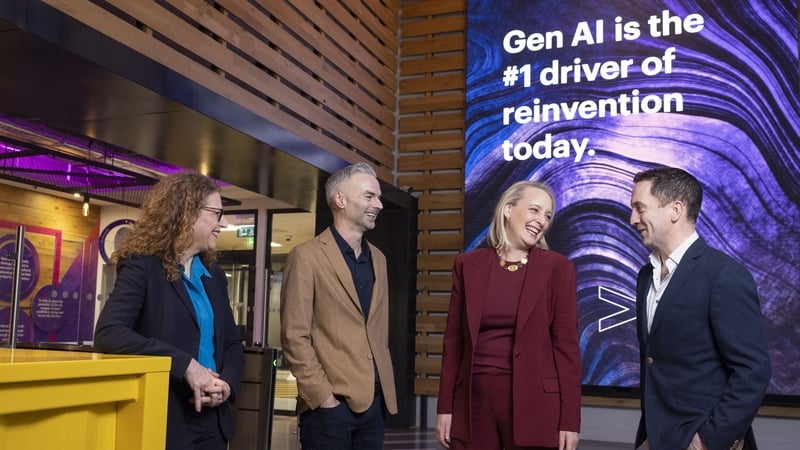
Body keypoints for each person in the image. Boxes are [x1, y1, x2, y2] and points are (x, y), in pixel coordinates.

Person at [94, 171, 244, 450]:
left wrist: (227, 386)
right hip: (165, 418)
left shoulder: (215, 276)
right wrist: (185, 365)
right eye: (216, 213)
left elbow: (232, 343)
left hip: (214, 423)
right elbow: (108, 333)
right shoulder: (142, 266)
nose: (222, 223)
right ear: (187, 212)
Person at [629, 167, 771, 450]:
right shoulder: (646, 275)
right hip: (655, 437)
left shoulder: (724, 275)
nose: (633, 219)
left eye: (639, 208)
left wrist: (706, 441)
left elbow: (753, 371)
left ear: (675, 209)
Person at [435, 180, 581, 450]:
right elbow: (453, 343)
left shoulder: (558, 269)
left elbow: (567, 350)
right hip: (472, 403)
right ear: (508, 209)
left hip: (535, 404)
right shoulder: (467, 265)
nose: (542, 221)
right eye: (535, 210)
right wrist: (445, 407)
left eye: (548, 216)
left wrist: (570, 420)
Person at [280, 162, 398, 450]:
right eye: (369, 196)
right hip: (329, 407)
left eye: (378, 197)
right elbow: (295, 336)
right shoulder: (306, 257)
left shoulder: (379, 259)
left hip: (375, 405)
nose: (379, 205)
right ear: (340, 199)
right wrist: (322, 398)